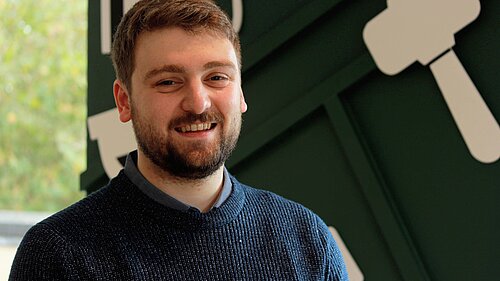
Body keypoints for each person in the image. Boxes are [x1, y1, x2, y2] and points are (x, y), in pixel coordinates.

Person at [9, 0, 349, 280]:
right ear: (124, 101)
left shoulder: (307, 241)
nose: (198, 103)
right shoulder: (58, 255)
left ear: (241, 92)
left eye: (217, 77)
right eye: (169, 82)